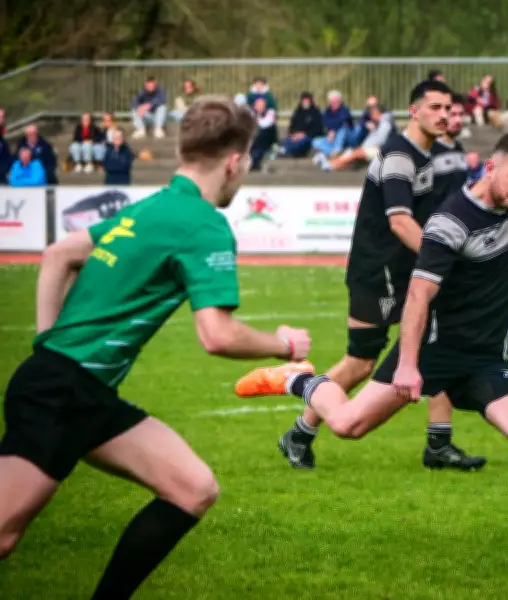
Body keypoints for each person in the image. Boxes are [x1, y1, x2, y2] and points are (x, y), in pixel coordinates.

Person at [235, 104, 508, 566]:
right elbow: (417, 297)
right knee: (348, 425)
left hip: (486, 357)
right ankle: (298, 379)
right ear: (491, 167)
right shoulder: (449, 223)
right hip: (433, 351)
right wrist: (410, 365)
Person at [0, 96, 312, 599]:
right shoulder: (203, 224)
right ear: (234, 161)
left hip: (83, 392)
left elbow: (58, 255)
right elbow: (217, 334)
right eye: (248, 161)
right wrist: (282, 344)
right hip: (61, 392)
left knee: (193, 488)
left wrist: (47, 346)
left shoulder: (149, 208)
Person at [242, 80, 482, 472]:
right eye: (435, 107)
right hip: (378, 273)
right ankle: (299, 432)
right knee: (360, 362)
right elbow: (400, 222)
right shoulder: (399, 157)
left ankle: (439, 442)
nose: (443, 115)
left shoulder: (429, 155)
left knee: (439, 341)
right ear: (414, 110)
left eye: (448, 108)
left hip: (406, 270)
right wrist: (441, 260)